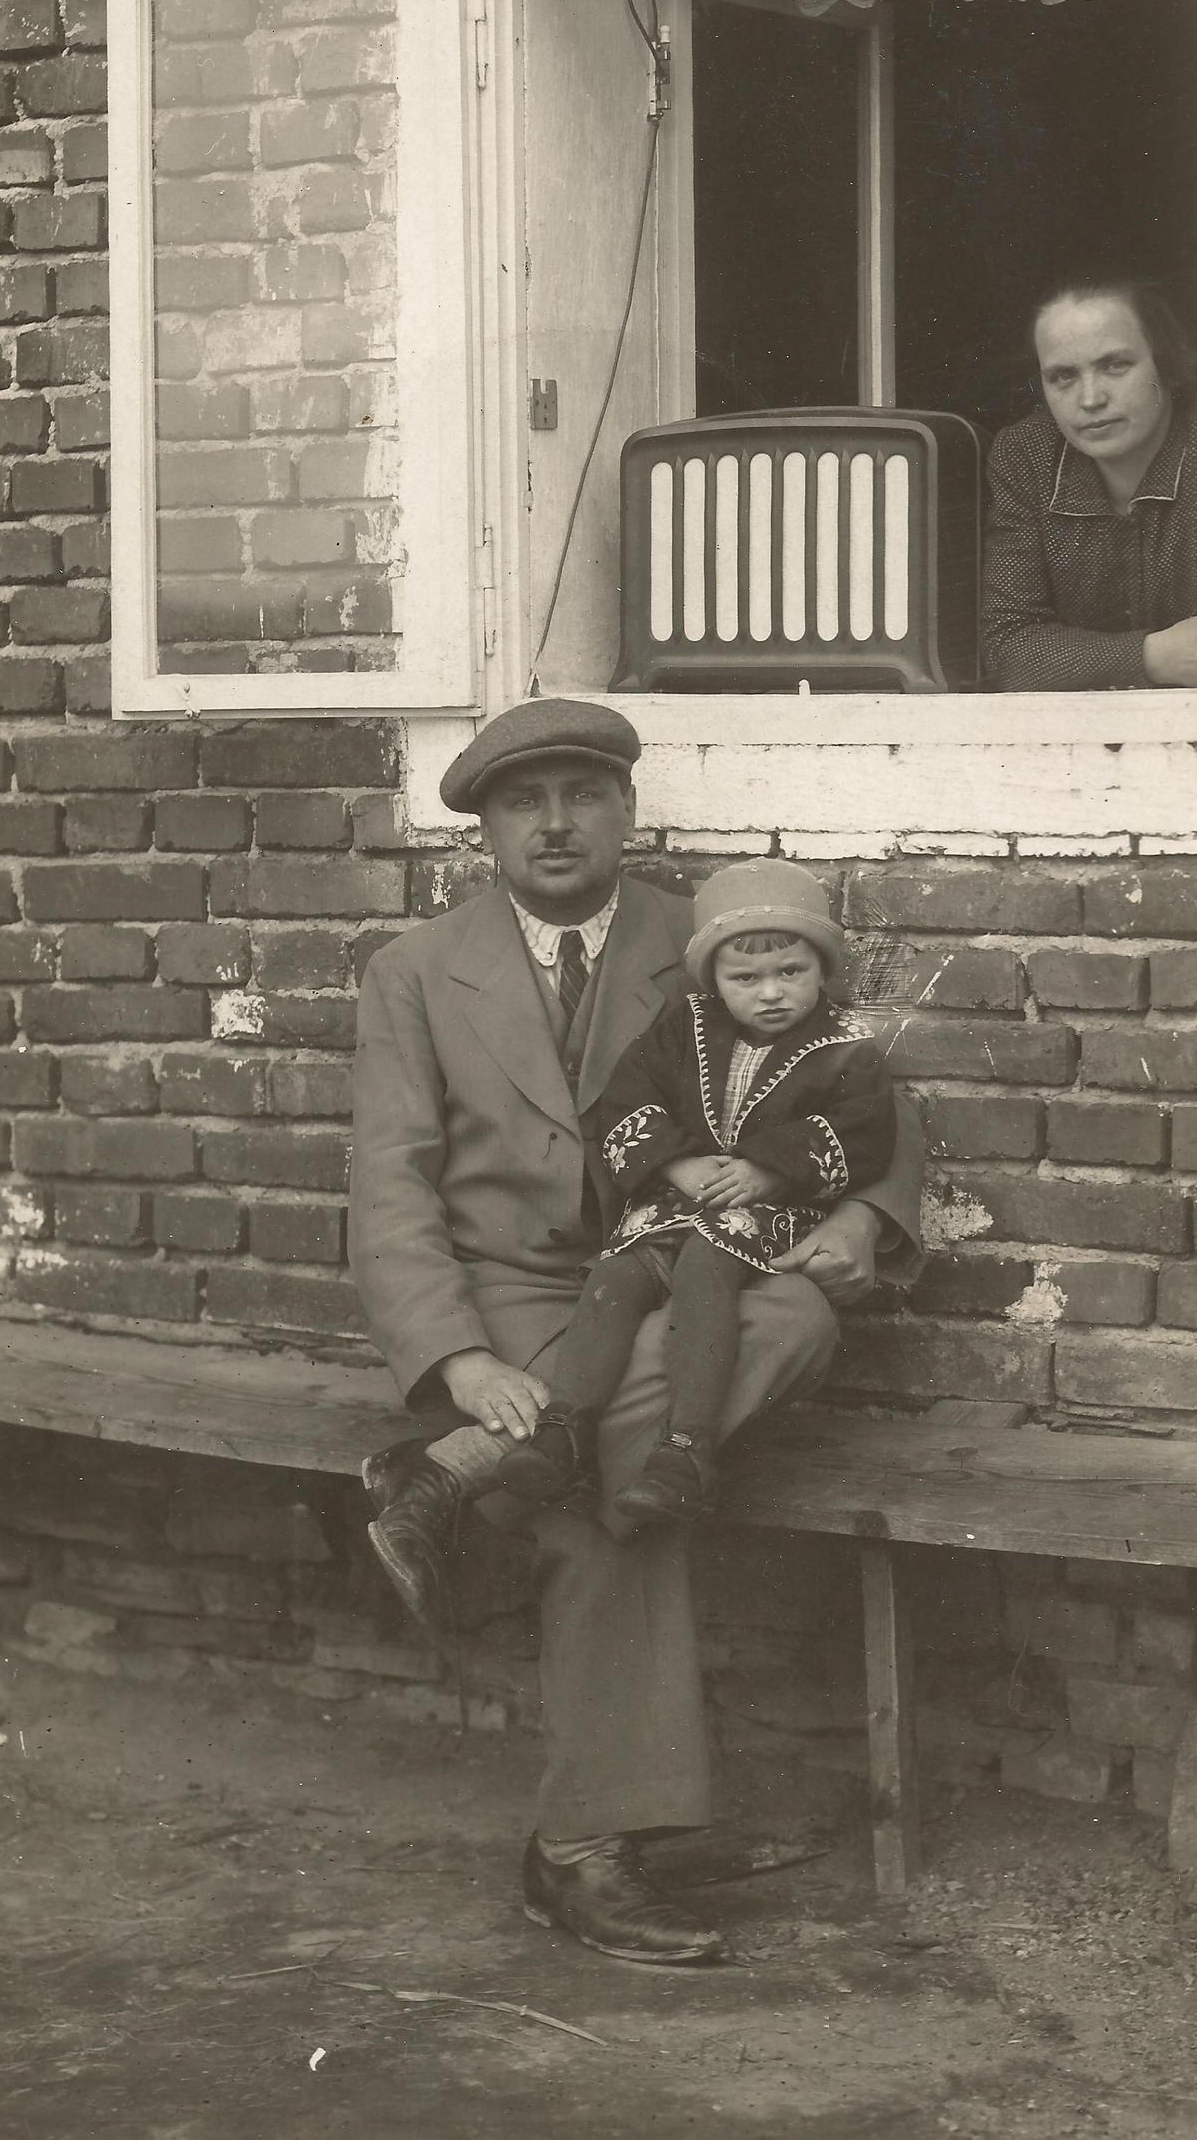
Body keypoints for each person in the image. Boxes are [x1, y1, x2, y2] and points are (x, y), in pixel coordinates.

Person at [348, 697, 924, 1967]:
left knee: (798, 1313)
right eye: (522, 804)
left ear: (624, 808)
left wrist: (864, 1219)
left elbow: (861, 1088)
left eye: (582, 797)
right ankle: (585, 1849)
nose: (554, 825)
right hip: (516, 1293)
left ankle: (458, 1476)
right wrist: (458, 1360)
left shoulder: (712, 936)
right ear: (485, 830)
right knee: (613, 1503)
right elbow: (389, 1185)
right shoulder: (415, 971)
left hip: (715, 1263)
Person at [493, 860, 897, 1527]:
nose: (771, 992)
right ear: (712, 979)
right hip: (678, 1201)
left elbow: (863, 1132)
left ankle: (685, 1449)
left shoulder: (845, 1047)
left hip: (773, 1212)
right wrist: (674, 1164)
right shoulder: (684, 1028)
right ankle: (564, 1430)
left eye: (791, 972)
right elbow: (629, 1099)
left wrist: (770, 1171)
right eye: (745, 978)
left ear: (822, 969)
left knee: (706, 1270)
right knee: (617, 1276)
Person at [980, 274, 1197, 692]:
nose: (1090, 399)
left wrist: (1077, 659)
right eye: (1063, 376)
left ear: (1166, 363)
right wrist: (1149, 657)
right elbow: (1005, 648)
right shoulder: (1028, 455)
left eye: (1115, 365)